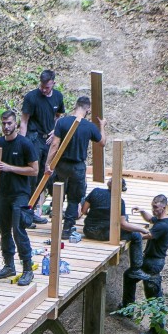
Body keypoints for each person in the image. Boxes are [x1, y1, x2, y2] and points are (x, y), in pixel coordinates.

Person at [0, 109, 39, 287]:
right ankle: (9, 265)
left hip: (20, 194)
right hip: (2, 193)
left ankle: (27, 269)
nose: (6, 127)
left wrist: (9, 168)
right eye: (4, 123)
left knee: (18, 229)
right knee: (4, 230)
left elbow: (34, 170)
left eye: (9, 123)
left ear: (16, 124)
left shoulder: (25, 144)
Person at [45, 96, 105, 241]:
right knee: (73, 199)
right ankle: (67, 229)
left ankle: (55, 224)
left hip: (61, 165)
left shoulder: (62, 122)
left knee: (59, 194)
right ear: (88, 109)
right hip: (78, 167)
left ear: (76, 106)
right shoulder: (89, 126)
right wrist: (102, 126)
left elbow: (55, 145)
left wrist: (48, 163)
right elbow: (102, 142)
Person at [79, 176, 152, 288]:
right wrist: (141, 229)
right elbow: (123, 225)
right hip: (104, 234)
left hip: (88, 230)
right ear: (121, 189)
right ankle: (136, 269)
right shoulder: (119, 202)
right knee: (136, 236)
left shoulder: (95, 191)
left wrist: (97, 215)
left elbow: (84, 211)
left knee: (124, 218)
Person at [19, 69, 66, 219]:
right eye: (42, 86)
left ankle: (36, 207)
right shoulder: (31, 97)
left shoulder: (58, 96)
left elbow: (58, 116)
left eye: (47, 87)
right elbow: (24, 121)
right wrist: (22, 143)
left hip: (49, 139)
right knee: (33, 173)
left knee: (45, 174)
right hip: (34, 137)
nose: (44, 90)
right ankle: (28, 209)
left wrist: (55, 130)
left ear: (53, 83)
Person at [122, 193, 168, 308]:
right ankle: (127, 309)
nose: (153, 210)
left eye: (155, 207)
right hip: (151, 261)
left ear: (163, 207)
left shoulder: (162, 226)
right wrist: (142, 211)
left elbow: (144, 235)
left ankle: (155, 320)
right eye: (152, 206)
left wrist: (127, 230)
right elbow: (150, 219)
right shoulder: (165, 220)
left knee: (152, 292)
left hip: (153, 263)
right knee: (130, 277)